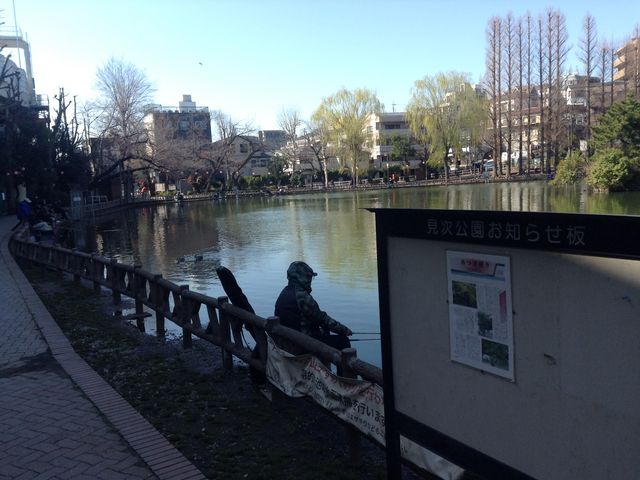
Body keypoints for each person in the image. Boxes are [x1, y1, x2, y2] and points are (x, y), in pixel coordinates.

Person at [274, 261, 352, 354]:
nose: (310, 281)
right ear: (302, 278)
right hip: (302, 345)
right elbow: (323, 319)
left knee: (325, 330)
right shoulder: (302, 296)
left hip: (288, 341)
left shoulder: (284, 292)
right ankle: (340, 368)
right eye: (309, 277)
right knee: (343, 341)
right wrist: (344, 330)